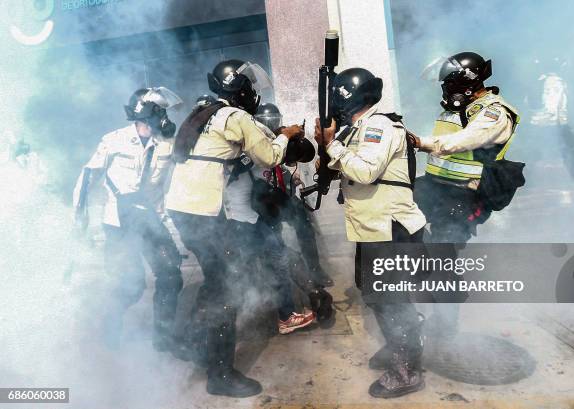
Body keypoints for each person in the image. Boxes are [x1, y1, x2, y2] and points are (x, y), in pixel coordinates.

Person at [164, 59, 306, 398]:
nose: (254, 94)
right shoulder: (235, 117)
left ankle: (199, 345)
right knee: (225, 289)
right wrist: (286, 135)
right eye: (250, 88)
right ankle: (221, 374)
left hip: (184, 210)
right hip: (204, 213)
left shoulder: (203, 112)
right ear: (241, 89)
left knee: (214, 282)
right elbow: (271, 157)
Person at [315, 67, 426, 398]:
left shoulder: (380, 126)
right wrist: (329, 150)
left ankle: (407, 370)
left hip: (390, 228)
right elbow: (337, 166)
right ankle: (401, 347)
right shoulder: (357, 129)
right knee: (377, 295)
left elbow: (364, 171)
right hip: (372, 229)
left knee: (391, 300)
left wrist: (333, 146)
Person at [412, 52, 521, 334]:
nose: (445, 89)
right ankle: (416, 290)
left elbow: (463, 141)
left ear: (467, 82)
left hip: (464, 195)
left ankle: (446, 322)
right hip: (434, 186)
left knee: (443, 253)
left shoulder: (495, 112)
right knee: (399, 224)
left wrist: (419, 142)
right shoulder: (457, 107)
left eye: (449, 83)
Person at [72, 87, 184, 351]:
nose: (166, 118)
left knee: (171, 275)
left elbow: (165, 189)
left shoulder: (166, 144)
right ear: (149, 114)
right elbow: (87, 178)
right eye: (162, 112)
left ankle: (163, 338)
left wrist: (171, 229)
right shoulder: (114, 140)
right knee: (131, 285)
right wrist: (79, 221)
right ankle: (110, 327)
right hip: (118, 223)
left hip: (151, 221)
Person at [255, 102, 333, 288]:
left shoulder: (283, 137)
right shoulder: (255, 138)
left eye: (275, 120)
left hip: (282, 194)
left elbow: (293, 159)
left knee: (304, 224)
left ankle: (315, 269)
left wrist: (296, 146)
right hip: (262, 198)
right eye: (267, 120)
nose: (271, 124)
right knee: (271, 237)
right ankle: (272, 277)